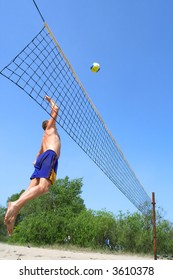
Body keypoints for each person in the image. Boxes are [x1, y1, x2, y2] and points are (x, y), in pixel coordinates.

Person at [4, 95, 61, 235]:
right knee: (44, 188)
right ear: (48, 124)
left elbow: (38, 154)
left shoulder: (44, 137)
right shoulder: (51, 128)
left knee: (30, 190)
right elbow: (56, 109)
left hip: (42, 158)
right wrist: (50, 101)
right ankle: (14, 204)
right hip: (50, 156)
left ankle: (14, 213)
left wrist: (36, 162)